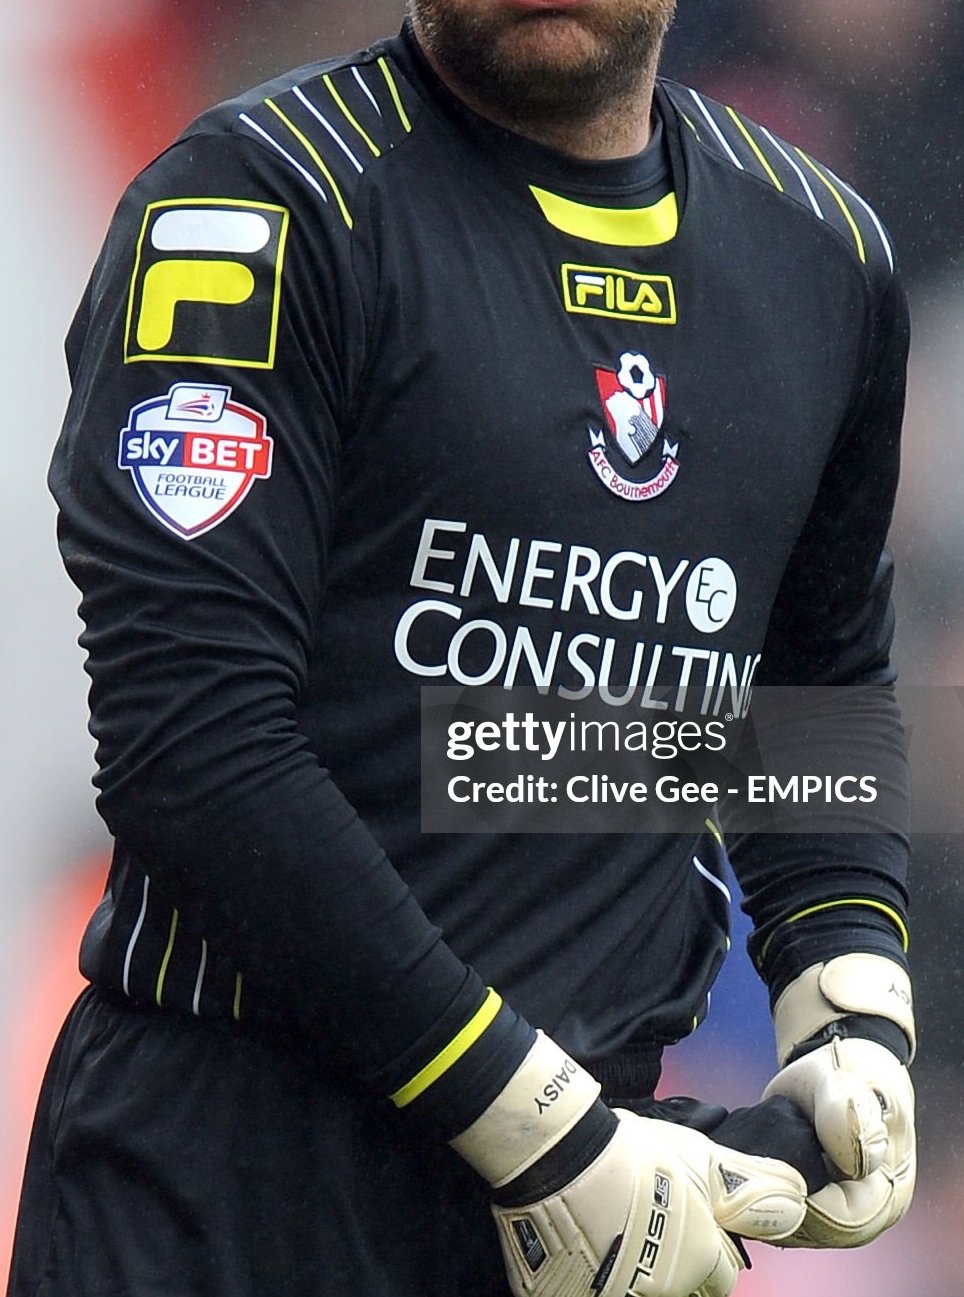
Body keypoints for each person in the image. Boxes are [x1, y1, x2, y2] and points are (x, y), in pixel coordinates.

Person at [10, 2, 916, 1295]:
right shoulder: (256, 205)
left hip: (607, 1201)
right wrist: (534, 1124)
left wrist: (850, 989)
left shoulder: (821, 252)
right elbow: (193, 751)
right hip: (226, 1191)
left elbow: (811, 678)